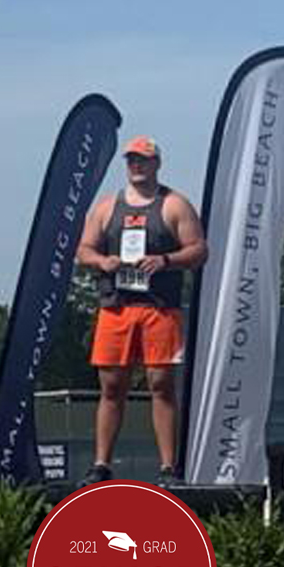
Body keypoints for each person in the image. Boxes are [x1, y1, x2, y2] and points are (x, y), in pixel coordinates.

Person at [76, 135, 208, 485]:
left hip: (160, 309)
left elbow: (198, 250)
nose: (137, 165)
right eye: (131, 159)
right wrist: (104, 261)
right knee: (112, 385)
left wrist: (165, 260)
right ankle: (101, 464)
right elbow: (84, 250)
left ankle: (168, 466)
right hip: (116, 307)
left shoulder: (174, 205)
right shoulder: (107, 207)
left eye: (143, 159)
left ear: (156, 164)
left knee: (161, 383)